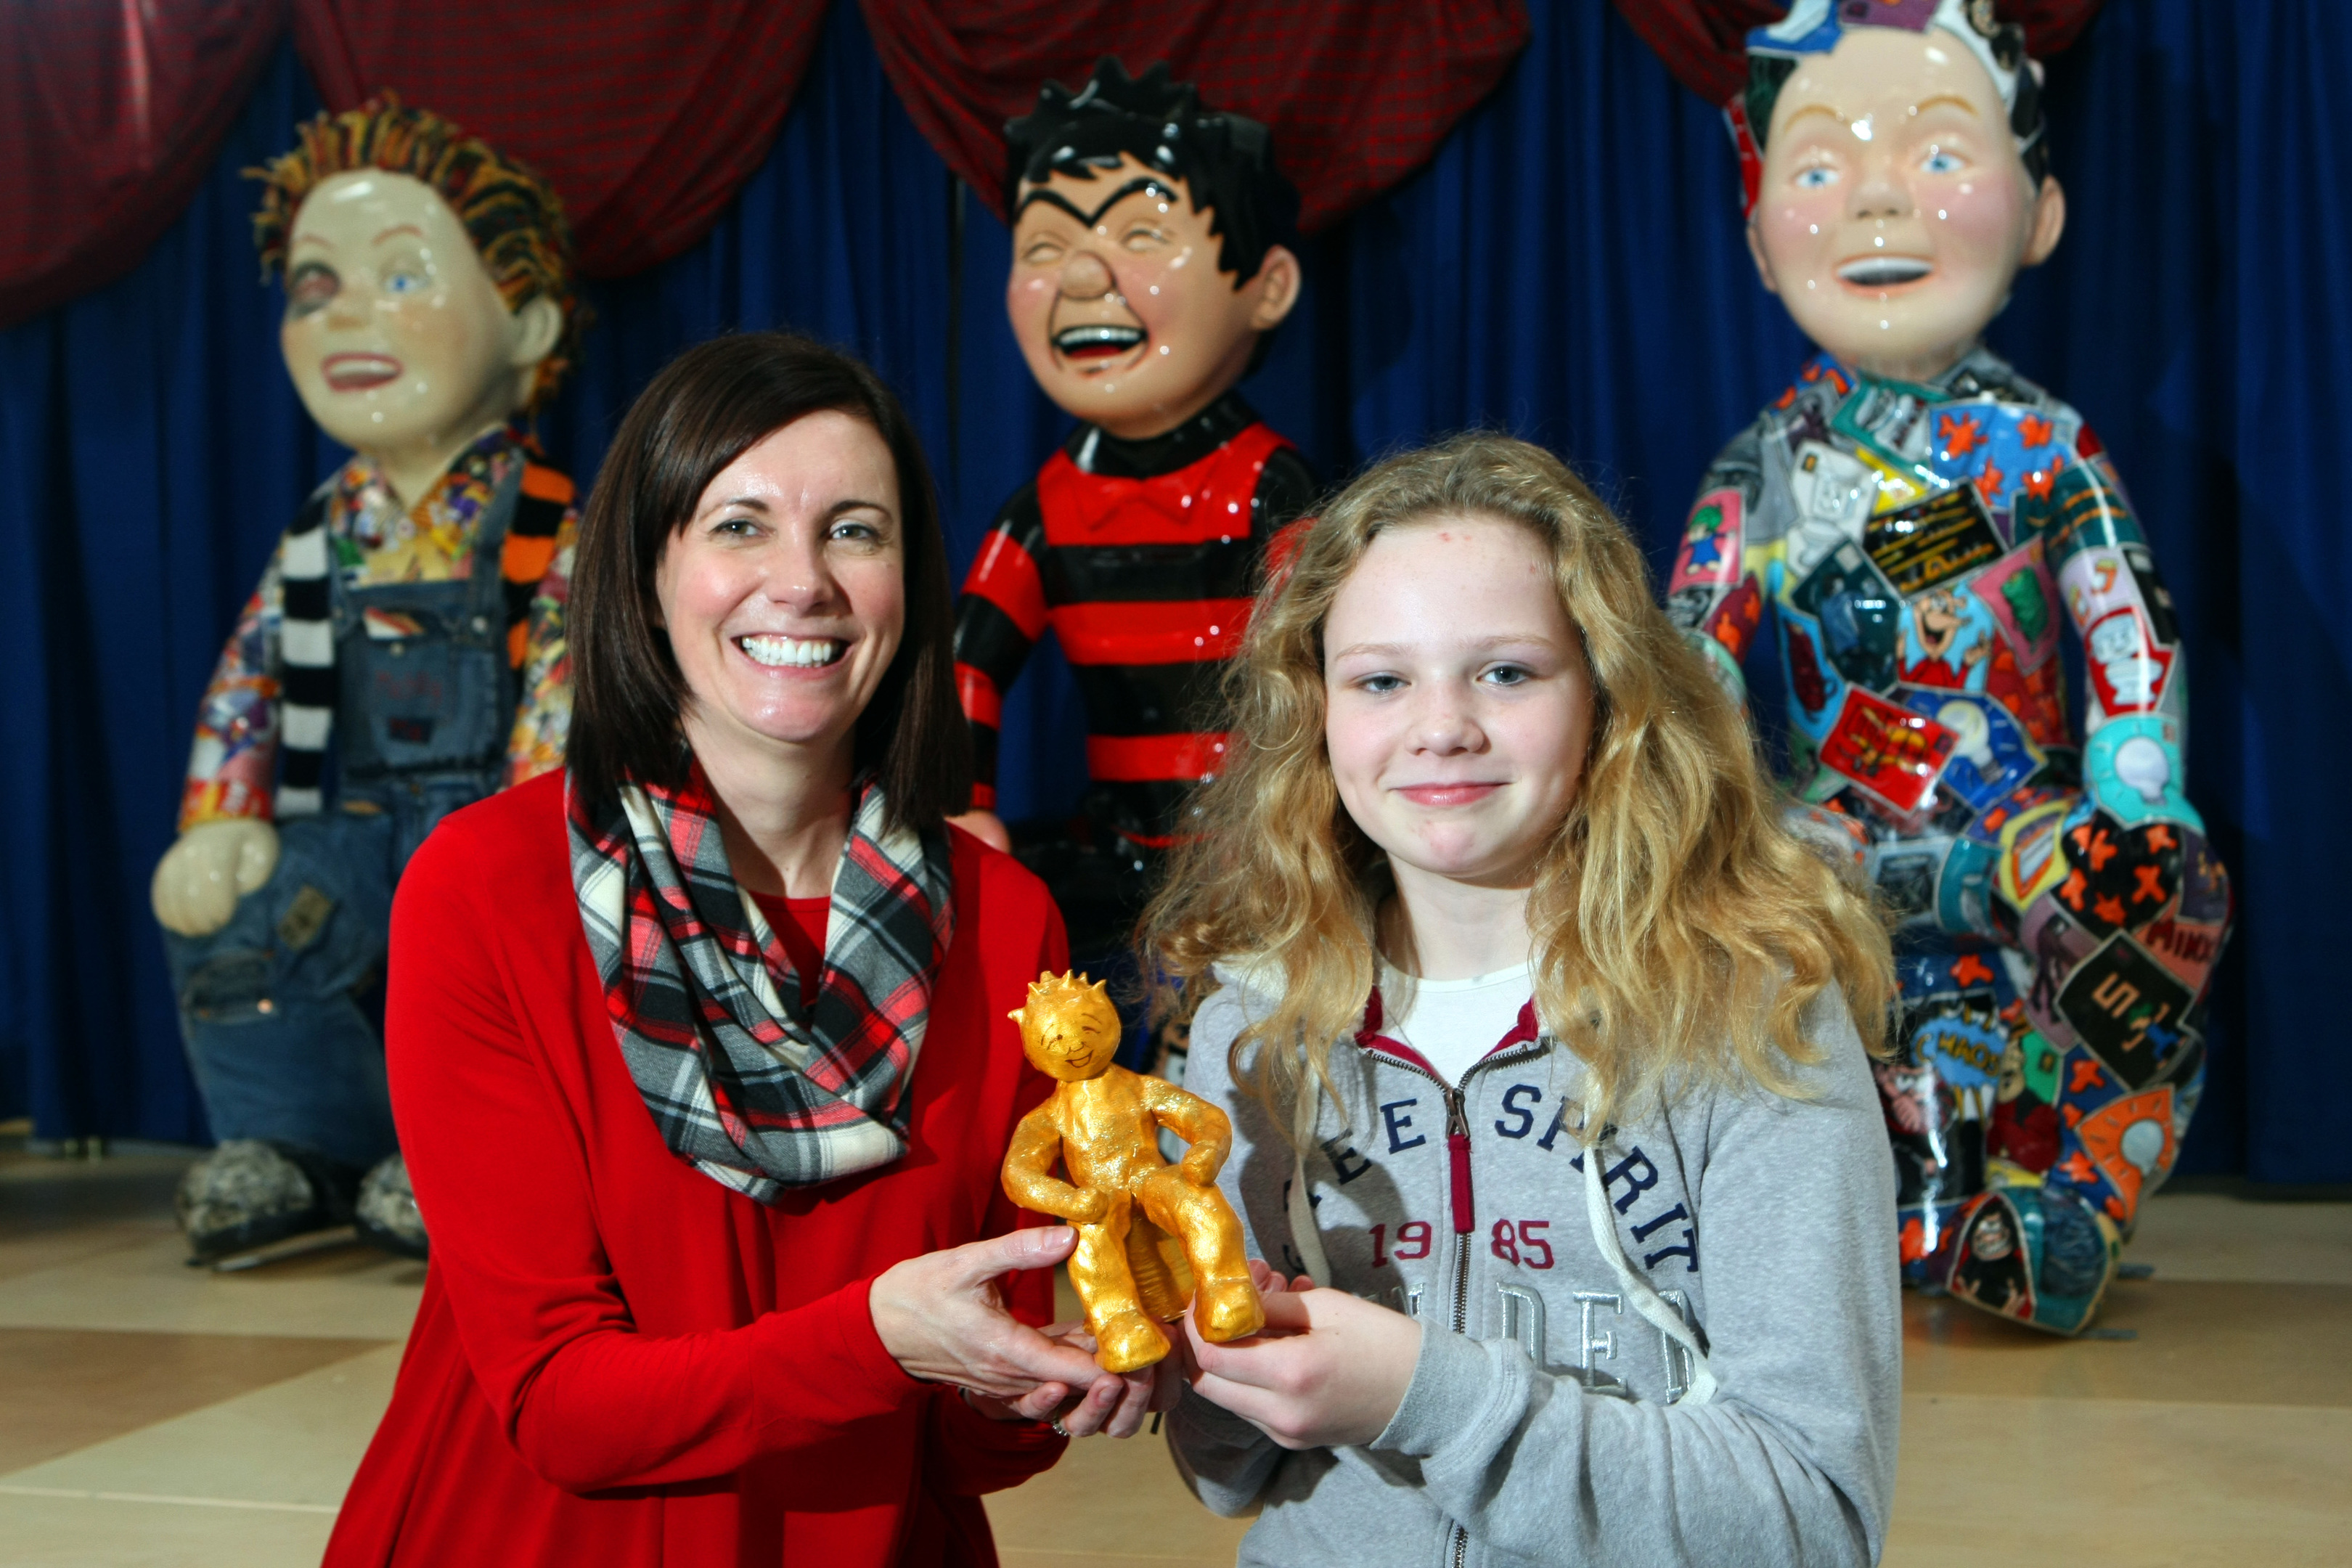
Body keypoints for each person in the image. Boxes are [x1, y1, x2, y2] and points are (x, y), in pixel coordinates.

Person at [324, 334, 1159, 1567]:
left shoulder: (1005, 921)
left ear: (911, 585)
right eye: (740, 525)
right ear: (647, 569)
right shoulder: (486, 887)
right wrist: (878, 1340)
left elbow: (975, 1455)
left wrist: (1040, 1381)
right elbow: (559, 1405)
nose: (803, 581)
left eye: (855, 532)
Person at [1144, 435, 1903, 1567]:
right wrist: (1194, 1359)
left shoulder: (1756, 1016)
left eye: (1505, 672)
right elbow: (1229, 1476)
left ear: (1607, 697)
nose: (1441, 725)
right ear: (1319, 716)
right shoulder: (1252, 1029)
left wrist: (1417, 1393)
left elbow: (1810, 1520)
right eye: (1382, 680)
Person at [1675, 0, 2230, 1333]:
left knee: (2161, 886)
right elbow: (1687, 658)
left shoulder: (2044, 450)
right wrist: (1692, 811)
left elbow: (2124, 624)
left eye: (1935, 154)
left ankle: (2065, 1210)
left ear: (2039, 212)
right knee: (1683, 907)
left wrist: (2132, 771)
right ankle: (1766, 1225)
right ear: (1758, 238)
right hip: (1820, 846)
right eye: (1816, 167)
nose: (1876, 197)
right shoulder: (1762, 472)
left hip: (2014, 833)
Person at [150, 97, 585, 1262]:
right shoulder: (316, 539)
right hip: (353, 831)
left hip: (492, 819)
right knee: (231, 904)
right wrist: (219, 820)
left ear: (529, 319)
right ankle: (299, 1139)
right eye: (315, 286)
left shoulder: (548, 527)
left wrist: (536, 829)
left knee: (519, 932)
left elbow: (570, 691)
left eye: (400, 278)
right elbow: (245, 692)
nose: (349, 315)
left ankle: (469, 1160)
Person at [950, 59, 1317, 1066]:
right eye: (1047, 244)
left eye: (1139, 234)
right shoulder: (1043, 512)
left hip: (1260, 865)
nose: (1080, 277)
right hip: (1109, 861)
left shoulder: (1274, 494)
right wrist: (963, 807)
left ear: (1267, 285)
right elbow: (966, 668)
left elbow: (1319, 673)